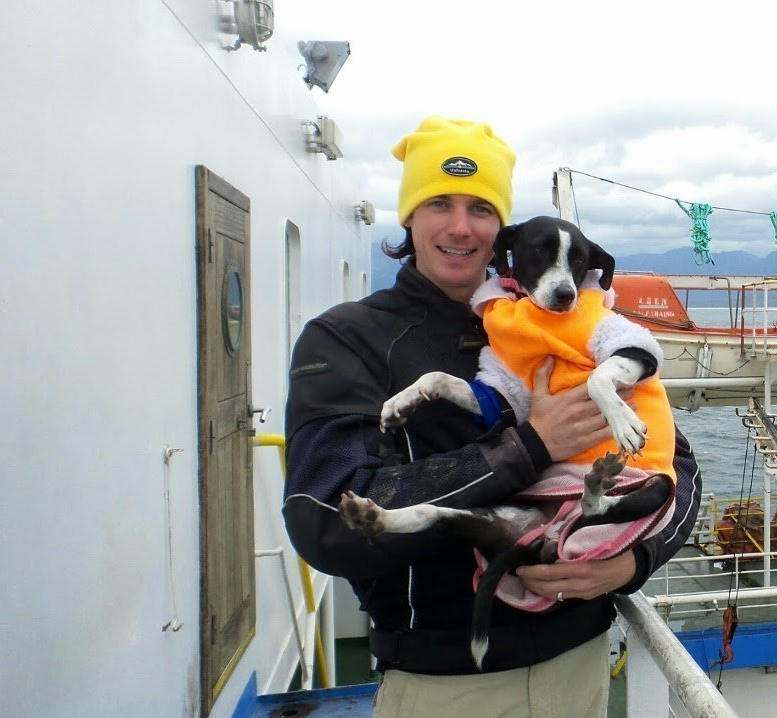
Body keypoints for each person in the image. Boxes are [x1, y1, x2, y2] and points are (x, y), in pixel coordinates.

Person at [282, 116, 703, 716]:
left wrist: (635, 561)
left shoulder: (552, 325)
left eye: (480, 208)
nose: (459, 226)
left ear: (500, 228)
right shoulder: (346, 339)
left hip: (579, 666)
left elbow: (677, 465)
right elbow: (324, 517)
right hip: (445, 686)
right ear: (409, 217)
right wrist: (531, 445)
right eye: (438, 204)